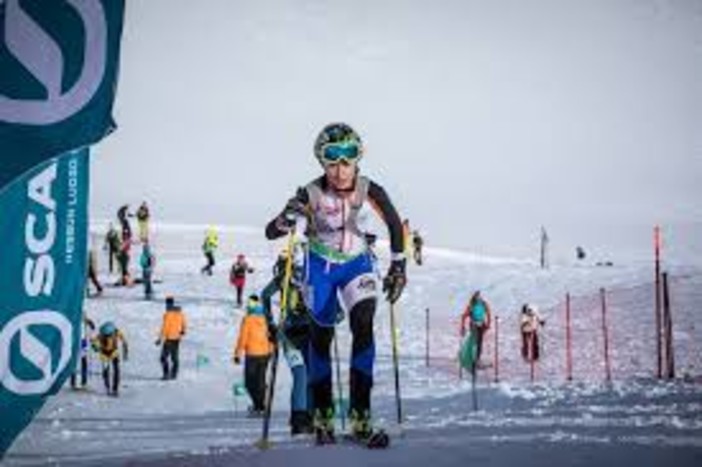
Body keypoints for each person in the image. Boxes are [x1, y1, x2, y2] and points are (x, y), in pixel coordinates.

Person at [265, 122, 407, 443]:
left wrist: (399, 267)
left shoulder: (369, 189)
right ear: (322, 160)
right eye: (333, 158)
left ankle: (360, 414)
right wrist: (286, 218)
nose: (342, 168)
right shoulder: (310, 192)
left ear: (359, 157)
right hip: (321, 268)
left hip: (358, 264)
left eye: (349, 157)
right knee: (321, 335)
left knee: (363, 323)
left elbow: (396, 225)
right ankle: (323, 415)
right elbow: (271, 231)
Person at [261, 250, 313, 435]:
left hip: (310, 333)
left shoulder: (312, 275)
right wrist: (270, 324)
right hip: (289, 334)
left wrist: (333, 314)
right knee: (301, 374)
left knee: (310, 376)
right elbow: (264, 295)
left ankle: (309, 416)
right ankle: (299, 419)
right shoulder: (283, 279)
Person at [233, 294, 273, 416]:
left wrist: (237, 354)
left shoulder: (248, 319)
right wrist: (271, 350)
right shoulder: (266, 317)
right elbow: (271, 336)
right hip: (265, 354)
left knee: (250, 382)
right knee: (260, 380)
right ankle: (260, 406)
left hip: (252, 354)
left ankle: (258, 406)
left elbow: (243, 337)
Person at [91, 321, 129, 397]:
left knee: (116, 371)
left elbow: (124, 342)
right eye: (106, 335)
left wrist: (125, 353)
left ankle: (115, 389)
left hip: (114, 353)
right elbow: (94, 343)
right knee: (106, 371)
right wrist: (95, 347)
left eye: (109, 335)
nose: (108, 336)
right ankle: (107, 387)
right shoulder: (100, 335)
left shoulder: (116, 332)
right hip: (104, 354)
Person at [155, 296, 187, 380]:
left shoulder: (168, 314)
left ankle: (166, 374)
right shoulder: (180, 313)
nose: (167, 306)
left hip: (169, 338)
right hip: (177, 338)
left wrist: (160, 339)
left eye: (167, 304)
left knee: (163, 357)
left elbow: (165, 327)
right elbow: (184, 323)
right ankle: (174, 374)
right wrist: (183, 330)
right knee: (174, 357)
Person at [460, 291, 492, 367]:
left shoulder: (484, 304)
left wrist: (488, 323)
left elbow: (488, 313)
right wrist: (462, 326)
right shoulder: (472, 305)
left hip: (481, 324)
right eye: (477, 296)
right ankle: (473, 359)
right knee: (475, 342)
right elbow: (464, 316)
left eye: (479, 296)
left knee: (479, 342)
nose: (479, 297)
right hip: (474, 325)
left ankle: (477, 359)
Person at [70, 314, 96, 389]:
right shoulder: (73, 318)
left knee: (83, 362)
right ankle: (73, 382)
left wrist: (90, 323)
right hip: (75, 341)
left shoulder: (84, 319)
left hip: (82, 342)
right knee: (74, 362)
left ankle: (83, 381)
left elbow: (92, 326)